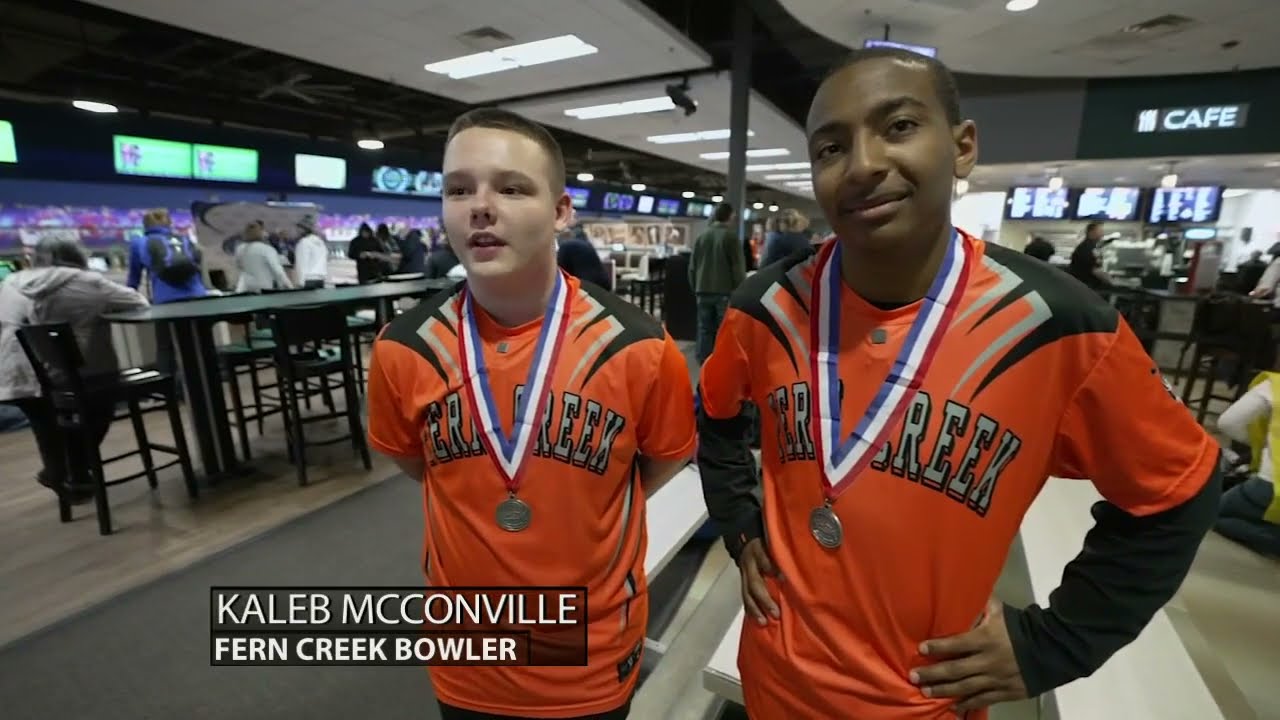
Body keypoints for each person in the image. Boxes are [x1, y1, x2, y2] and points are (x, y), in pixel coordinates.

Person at [695, 47, 1221, 719]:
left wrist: (1056, 643)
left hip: (925, 702)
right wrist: (741, 523)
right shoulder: (762, 307)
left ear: (962, 146)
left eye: (899, 127)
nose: (862, 165)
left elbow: (1180, 491)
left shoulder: (1059, 325)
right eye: (830, 147)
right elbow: (716, 417)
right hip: (774, 681)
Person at [365, 107, 697, 720]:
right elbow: (418, 462)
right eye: (458, 188)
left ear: (561, 211)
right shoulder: (402, 348)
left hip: (590, 654)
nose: (480, 206)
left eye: (512, 187)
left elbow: (660, 463)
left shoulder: (640, 347)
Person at [0, 236, 148, 502]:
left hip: (15, 373)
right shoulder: (87, 282)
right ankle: (77, 469)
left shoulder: (11, 282)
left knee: (45, 419)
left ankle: (62, 472)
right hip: (63, 375)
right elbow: (139, 303)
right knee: (101, 401)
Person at [1214, 371, 1280, 556]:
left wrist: (1263, 444)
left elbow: (1228, 423)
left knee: (1209, 514)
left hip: (1271, 487)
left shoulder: (1274, 385)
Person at [688, 202, 746, 364]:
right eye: (733, 215)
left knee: (704, 329)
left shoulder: (702, 236)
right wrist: (740, 289)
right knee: (724, 329)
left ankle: (704, 361)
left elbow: (692, 267)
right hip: (724, 291)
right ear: (728, 216)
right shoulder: (730, 236)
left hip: (702, 290)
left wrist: (696, 287)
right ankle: (722, 362)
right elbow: (737, 267)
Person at [126, 208, 207, 303]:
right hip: (198, 295)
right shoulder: (185, 239)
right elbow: (199, 267)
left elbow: (134, 279)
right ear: (170, 224)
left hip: (166, 300)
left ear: (145, 225)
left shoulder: (139, 242)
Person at [234, 221, 293, 293]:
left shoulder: (239, 249)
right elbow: (278, 271)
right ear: (260, 233)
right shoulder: (267, 249)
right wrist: (290, 286)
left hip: (245, 287)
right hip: (263, 287)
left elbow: (238, 265)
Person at [557, 216, 611, 290]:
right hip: (600, 288)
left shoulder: (567, 246)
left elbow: (560, 273)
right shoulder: (584, 242)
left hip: (585, 289)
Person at [1067, 222, 1112, 290]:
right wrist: (1112, 281)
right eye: (1100, 231)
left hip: (1082, 285)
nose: (1103, 234)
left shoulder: (1090, 246)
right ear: (1091, 232)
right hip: (1085, 287)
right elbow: (1095, 270)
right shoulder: (1087, 248)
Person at [293, 219, 330, 288]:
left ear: (302, 229)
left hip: (307, 280)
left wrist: (300, 282)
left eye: (298, 229)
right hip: (320, 279)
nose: (296, 231)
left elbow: (301, 263)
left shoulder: (303, 242)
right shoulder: (321, 243)